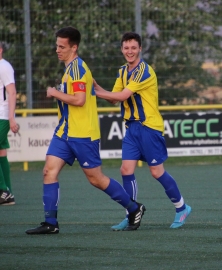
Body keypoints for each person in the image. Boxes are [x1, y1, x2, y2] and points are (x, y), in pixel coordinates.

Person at [26, 27, 145, 234]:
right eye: (57, 45)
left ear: (74, 47)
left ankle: (134, 208)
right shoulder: (68, 69)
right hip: (64, 132)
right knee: (48, 171)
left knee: (95, 179)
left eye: (62, 46)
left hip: (83, 134)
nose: (57, 50)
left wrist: (55, 93)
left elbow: (79, 101)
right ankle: (50, 223)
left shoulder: (78, 69)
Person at [93, 32, 191, 230]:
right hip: (132, 128)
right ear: (121, 49)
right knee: (125, 169)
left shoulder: (143, 71)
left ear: (140, 49)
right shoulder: (122, 71)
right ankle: (131, 213)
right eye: (126, 48)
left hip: (149, 127)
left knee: (156, 172)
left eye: (133, 48)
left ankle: (182, 208)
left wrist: (92, 91)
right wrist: (94, 85)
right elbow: (113, 97)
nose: (130, 51)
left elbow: (122, 96)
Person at [0, 41, 19, 205]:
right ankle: (8, 193)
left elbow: (12, 92)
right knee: (1, 151)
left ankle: (3, 190)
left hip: (3, 115)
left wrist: (11, 117)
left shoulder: (4, 66)